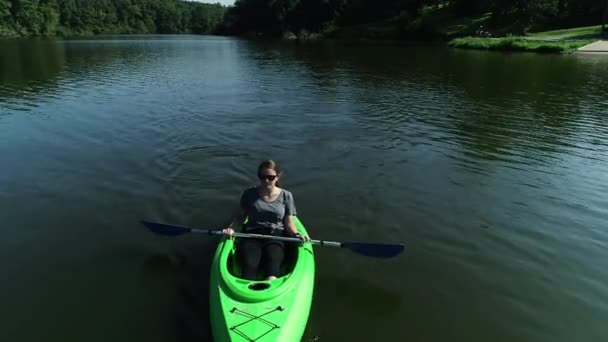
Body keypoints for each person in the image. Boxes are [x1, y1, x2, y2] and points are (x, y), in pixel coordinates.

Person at [222, 160, 310, 281]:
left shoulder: (286, 196)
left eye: (271, 177)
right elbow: (240, 217)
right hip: (253, 234)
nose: (266, 181)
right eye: (263, 177)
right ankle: (248, 292)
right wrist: (232, 229)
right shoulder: (249, 194)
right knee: (250, 265)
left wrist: (296, 234)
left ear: (277, 177)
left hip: (276, 235)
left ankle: (271, 288)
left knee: (273, 263)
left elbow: (289, 222)